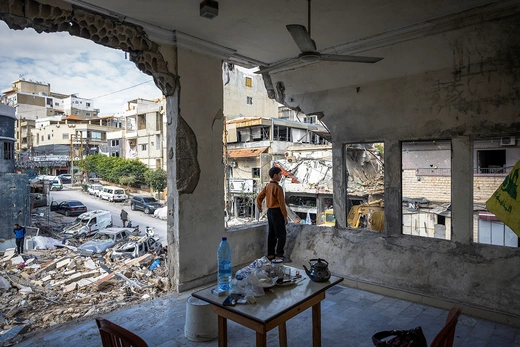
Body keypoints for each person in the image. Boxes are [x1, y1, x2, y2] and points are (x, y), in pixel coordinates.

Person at [256, 167, 288, 261]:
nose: (281, 176)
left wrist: (259, 207)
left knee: (272, 234)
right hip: (277, 212)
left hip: (270, 212)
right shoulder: (278, 188)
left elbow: (259, 197)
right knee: (281, 235)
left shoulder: (267, 186)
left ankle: (270, 255)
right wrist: (285, 216)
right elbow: (281, 204)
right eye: (280, 174)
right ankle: (279, 255)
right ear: (275, 176)